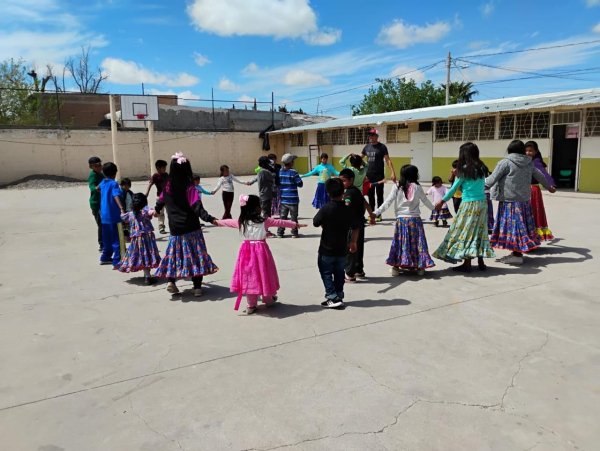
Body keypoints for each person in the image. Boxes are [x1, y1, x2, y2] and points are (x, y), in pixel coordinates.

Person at [215, 194, 307, 315]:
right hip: (261, 252)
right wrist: (295, 224)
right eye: (259, 205)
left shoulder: (241, 222)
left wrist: (216, 222)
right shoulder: (265, 221)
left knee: (249, 277)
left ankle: (251, 305)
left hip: (246, 252)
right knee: (264, 274)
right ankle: (268, 299)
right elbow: (280, 222)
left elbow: (227, 222)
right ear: (256, 208)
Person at [154, 152, 219, 296]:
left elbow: (160, 201)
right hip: (191, 228)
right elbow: (197, 207)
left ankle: (171, 281)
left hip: (175, 229)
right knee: (196, 256)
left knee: (174, 256)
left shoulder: (167, 186)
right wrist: (210, 219)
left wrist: (156, 210)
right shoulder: (189, 187)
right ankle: (197, 288)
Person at [485, 140, 556, 265]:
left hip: (509, 202)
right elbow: (539, 175)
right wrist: (549, 187)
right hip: (524, 202)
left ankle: (517, 255)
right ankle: (515, 253)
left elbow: (491, 180)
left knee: (513, 229)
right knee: (518, 228)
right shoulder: (529, 162)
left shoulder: (505, 162)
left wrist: (473, 185)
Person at [433, 143, 496, 272]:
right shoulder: (482, 168)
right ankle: (480, 261)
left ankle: (467, 263)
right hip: (482, 203)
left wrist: (441, 201)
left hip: (468, 204)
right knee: (479, 230)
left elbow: (453, 188)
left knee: (466, 231)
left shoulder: (464, 170)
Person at [374, 164, 435, 276]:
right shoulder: (417, 186)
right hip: (415, 220)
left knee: (401, 243)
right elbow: (425, 201)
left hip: (401, 220)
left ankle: (396, 267)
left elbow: (388, 201)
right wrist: (435, 209)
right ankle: (419, 267)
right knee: (417, 243)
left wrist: (376, 213)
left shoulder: (397, 186)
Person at [313, 178, 360, 309]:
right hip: (342, 249)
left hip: (326, 249)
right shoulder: (348, 210)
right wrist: (353, 242)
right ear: (343, 192)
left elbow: (316, 222)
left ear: (328, 193)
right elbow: (356, 226)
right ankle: (338, 294)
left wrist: (325, 224)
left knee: (326, 273)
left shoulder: (326, 209)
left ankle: (332, 297)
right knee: (339, 272)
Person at [339, 168, 375, 282]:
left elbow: (346, 205)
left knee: (351, 249)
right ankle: (359, 270)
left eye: (344, 181)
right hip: (360, 224)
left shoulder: (348, 193)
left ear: (351, 180)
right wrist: (371, 215)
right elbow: (365, 203)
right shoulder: (356, 190)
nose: (342, 183)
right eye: (340, 181)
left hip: (352, 226)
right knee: (358, 248)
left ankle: (350, 274)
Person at [117, 193, 161, 285]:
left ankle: (147, 276)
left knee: (141, 256)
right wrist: (157, 207)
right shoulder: (145, 211)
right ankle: (147, 277)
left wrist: (121, 209)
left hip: (136, 239)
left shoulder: (131, 214)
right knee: (147, 256)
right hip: (147, 238)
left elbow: (123, 217)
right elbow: (153, 213)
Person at [361, 128, 397, 221]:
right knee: (371, 195)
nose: (370, 137)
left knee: (379, 195)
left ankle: (379, 214)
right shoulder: (366, 147)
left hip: (379, 175)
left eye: (372, 135)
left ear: (377, 136)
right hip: (369, 175)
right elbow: (360, 159)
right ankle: (372, 213)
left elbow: (387, 160)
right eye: (370, 135)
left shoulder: (382, 147)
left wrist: (392, 172)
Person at [525, 140, 556, 241]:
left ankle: (533, 236)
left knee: (533, 212)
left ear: (536, 151)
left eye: (530, 151)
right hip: (523, 190)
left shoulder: (536, 161)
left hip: (533, 190)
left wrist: (551, 184)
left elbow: (544, 174)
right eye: (526, 150)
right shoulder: (524, 160)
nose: (528, 153)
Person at [98, 162, 125, 268]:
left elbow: (97, 188)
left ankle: (105, 257)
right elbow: (116, 195)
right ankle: (117, 261)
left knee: (107, 238)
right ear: (115, 173)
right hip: (114, 216)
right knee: (117, 239)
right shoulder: (114, 184)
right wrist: (121, 208)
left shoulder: (103, 182)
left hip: (104, 216)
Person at [276, 153, 303, 238]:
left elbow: (278, 183)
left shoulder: (280, 171)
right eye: (293, 161)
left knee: (283, 217)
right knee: (293, 217)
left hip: (283, 199)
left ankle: (280, 232)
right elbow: (300, 184)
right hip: (293, 199)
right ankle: (294, 233)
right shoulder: (293, 172)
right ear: (291, 162)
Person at [248, 156, 276, 221]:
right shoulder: (266, 172)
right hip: (267, 194)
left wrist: (251, 182)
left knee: (265, 210)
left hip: (263, 194)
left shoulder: (261, 171)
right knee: (267, 212)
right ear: (265, 164)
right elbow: (273, 180)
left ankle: (265, 226)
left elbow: (256, 178)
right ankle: (265, 227)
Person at [145, 159, 169, 234]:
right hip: (160, 197)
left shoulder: (166, 175)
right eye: (163, 168)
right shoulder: (155, 176)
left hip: (168, 197)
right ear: (158, 168)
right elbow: (150, 184)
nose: (165, 169)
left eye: (165, 167)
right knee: (160, 213)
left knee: (170, 212)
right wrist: (146, 194)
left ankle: (173, 225)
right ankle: (161, 227)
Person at [87, 156, 104, 251]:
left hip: (102, 202)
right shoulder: (93, 175)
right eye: (97, 165)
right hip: (96, 203)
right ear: (91, 167)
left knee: (105, 223)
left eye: (100, 164)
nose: (99, 166)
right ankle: (101, 244)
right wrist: (96, 188)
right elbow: (92, 186)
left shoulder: (101, 174)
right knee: (101, 224)